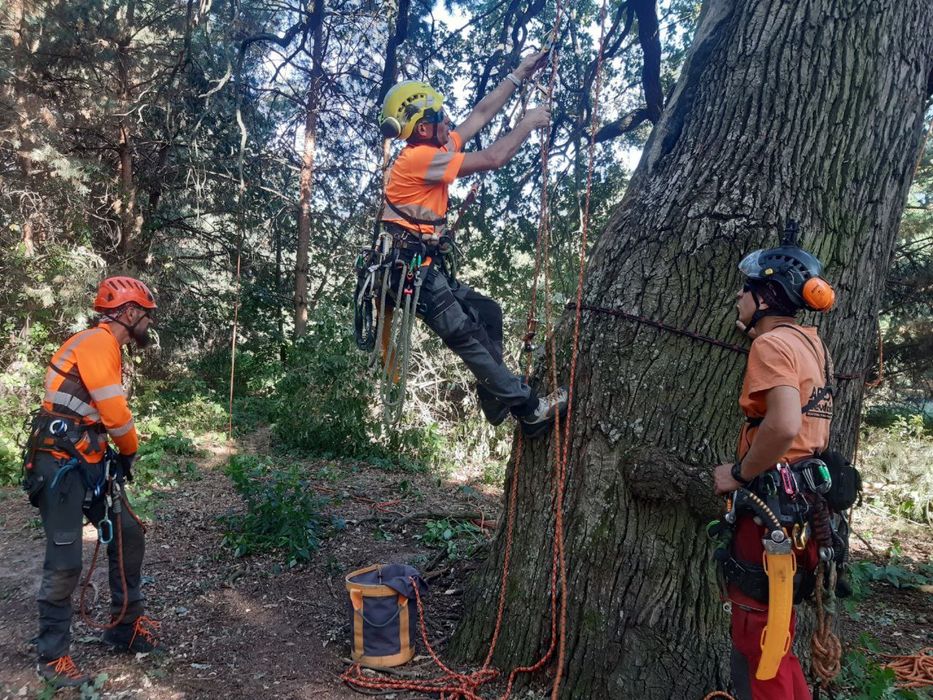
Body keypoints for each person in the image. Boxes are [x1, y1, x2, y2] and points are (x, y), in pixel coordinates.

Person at [377, 49, 568, 437]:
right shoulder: (418, 160)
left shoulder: (435, 149)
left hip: (421, 266)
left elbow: (480, 115)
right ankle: (529, 410)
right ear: (422, 128)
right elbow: (495, 157)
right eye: (438, 117)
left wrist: (517, 75)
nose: (449, 121)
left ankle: (495, 397)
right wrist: (528, 124)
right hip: (408, 269)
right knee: (469, 335)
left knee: (490, 313)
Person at [711, 224, 837, 699]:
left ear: (766, 293)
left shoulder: (771, 346)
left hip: (773, 509)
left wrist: (738, 474)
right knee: (776, 628)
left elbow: (783, 426)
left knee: (758, 631)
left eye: (746, 288)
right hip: (804, 504)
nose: (738, 297)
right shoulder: (809, 344)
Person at [22, 276, 160, 687]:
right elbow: (116, 413)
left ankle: (124, 625)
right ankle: (52, 656)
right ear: (130, 313)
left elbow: (99, 413)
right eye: (146, 318)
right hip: (58, 462)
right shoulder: (98, 343)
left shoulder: (104, 346)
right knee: (65, 560)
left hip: (86, 456)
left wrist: (112, 454)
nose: (147, 326)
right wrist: (130, 449)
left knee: (128, 534)